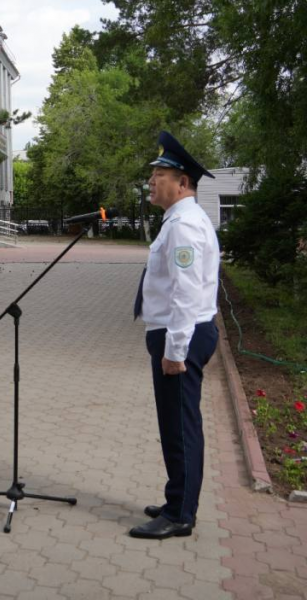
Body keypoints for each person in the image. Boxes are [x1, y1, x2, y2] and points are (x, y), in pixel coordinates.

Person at [130, 131, 220, 540]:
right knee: (175, 424)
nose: (151, 181)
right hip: (175, 332)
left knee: (180, 427)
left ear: (182, 183)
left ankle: (180, 514)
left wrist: (175, 351)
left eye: (159, 175)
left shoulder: (184, 226)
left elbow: (186, 293)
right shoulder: (180, 221)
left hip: (180, 336)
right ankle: (177, 500)